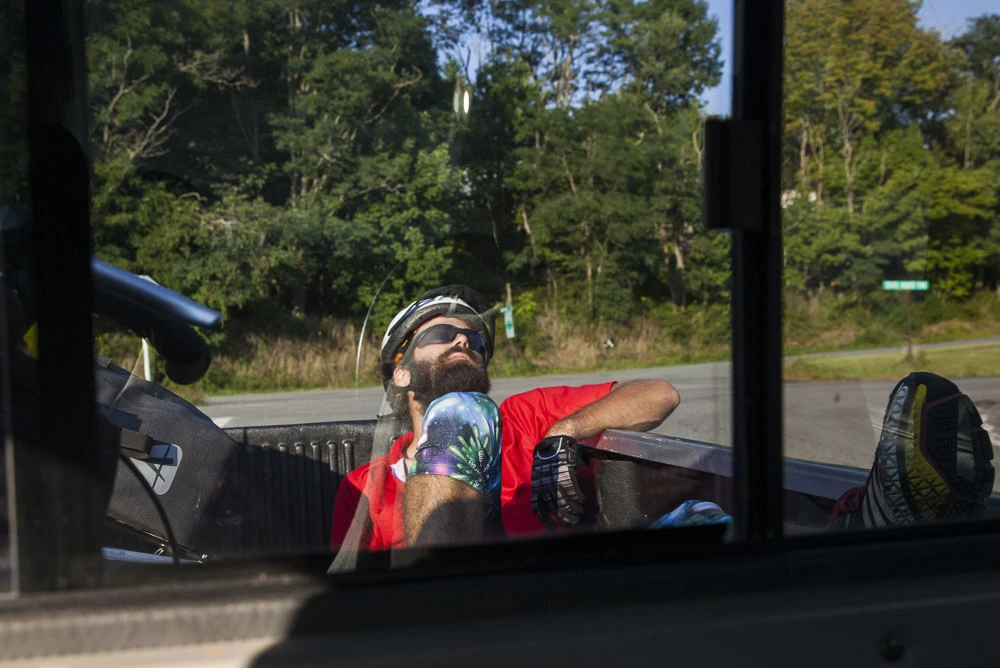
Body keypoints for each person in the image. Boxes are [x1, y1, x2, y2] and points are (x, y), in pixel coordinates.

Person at [329, 285, 681, 552]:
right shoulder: (364, 487)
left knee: (700, 514)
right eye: (441, 336)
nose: (463, 342)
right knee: (461, 412)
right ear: (400, 374)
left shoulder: (525, 417)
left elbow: (658, 394)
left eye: (474, 341)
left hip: (544, 604)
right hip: (438, 616)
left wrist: (565, 430)